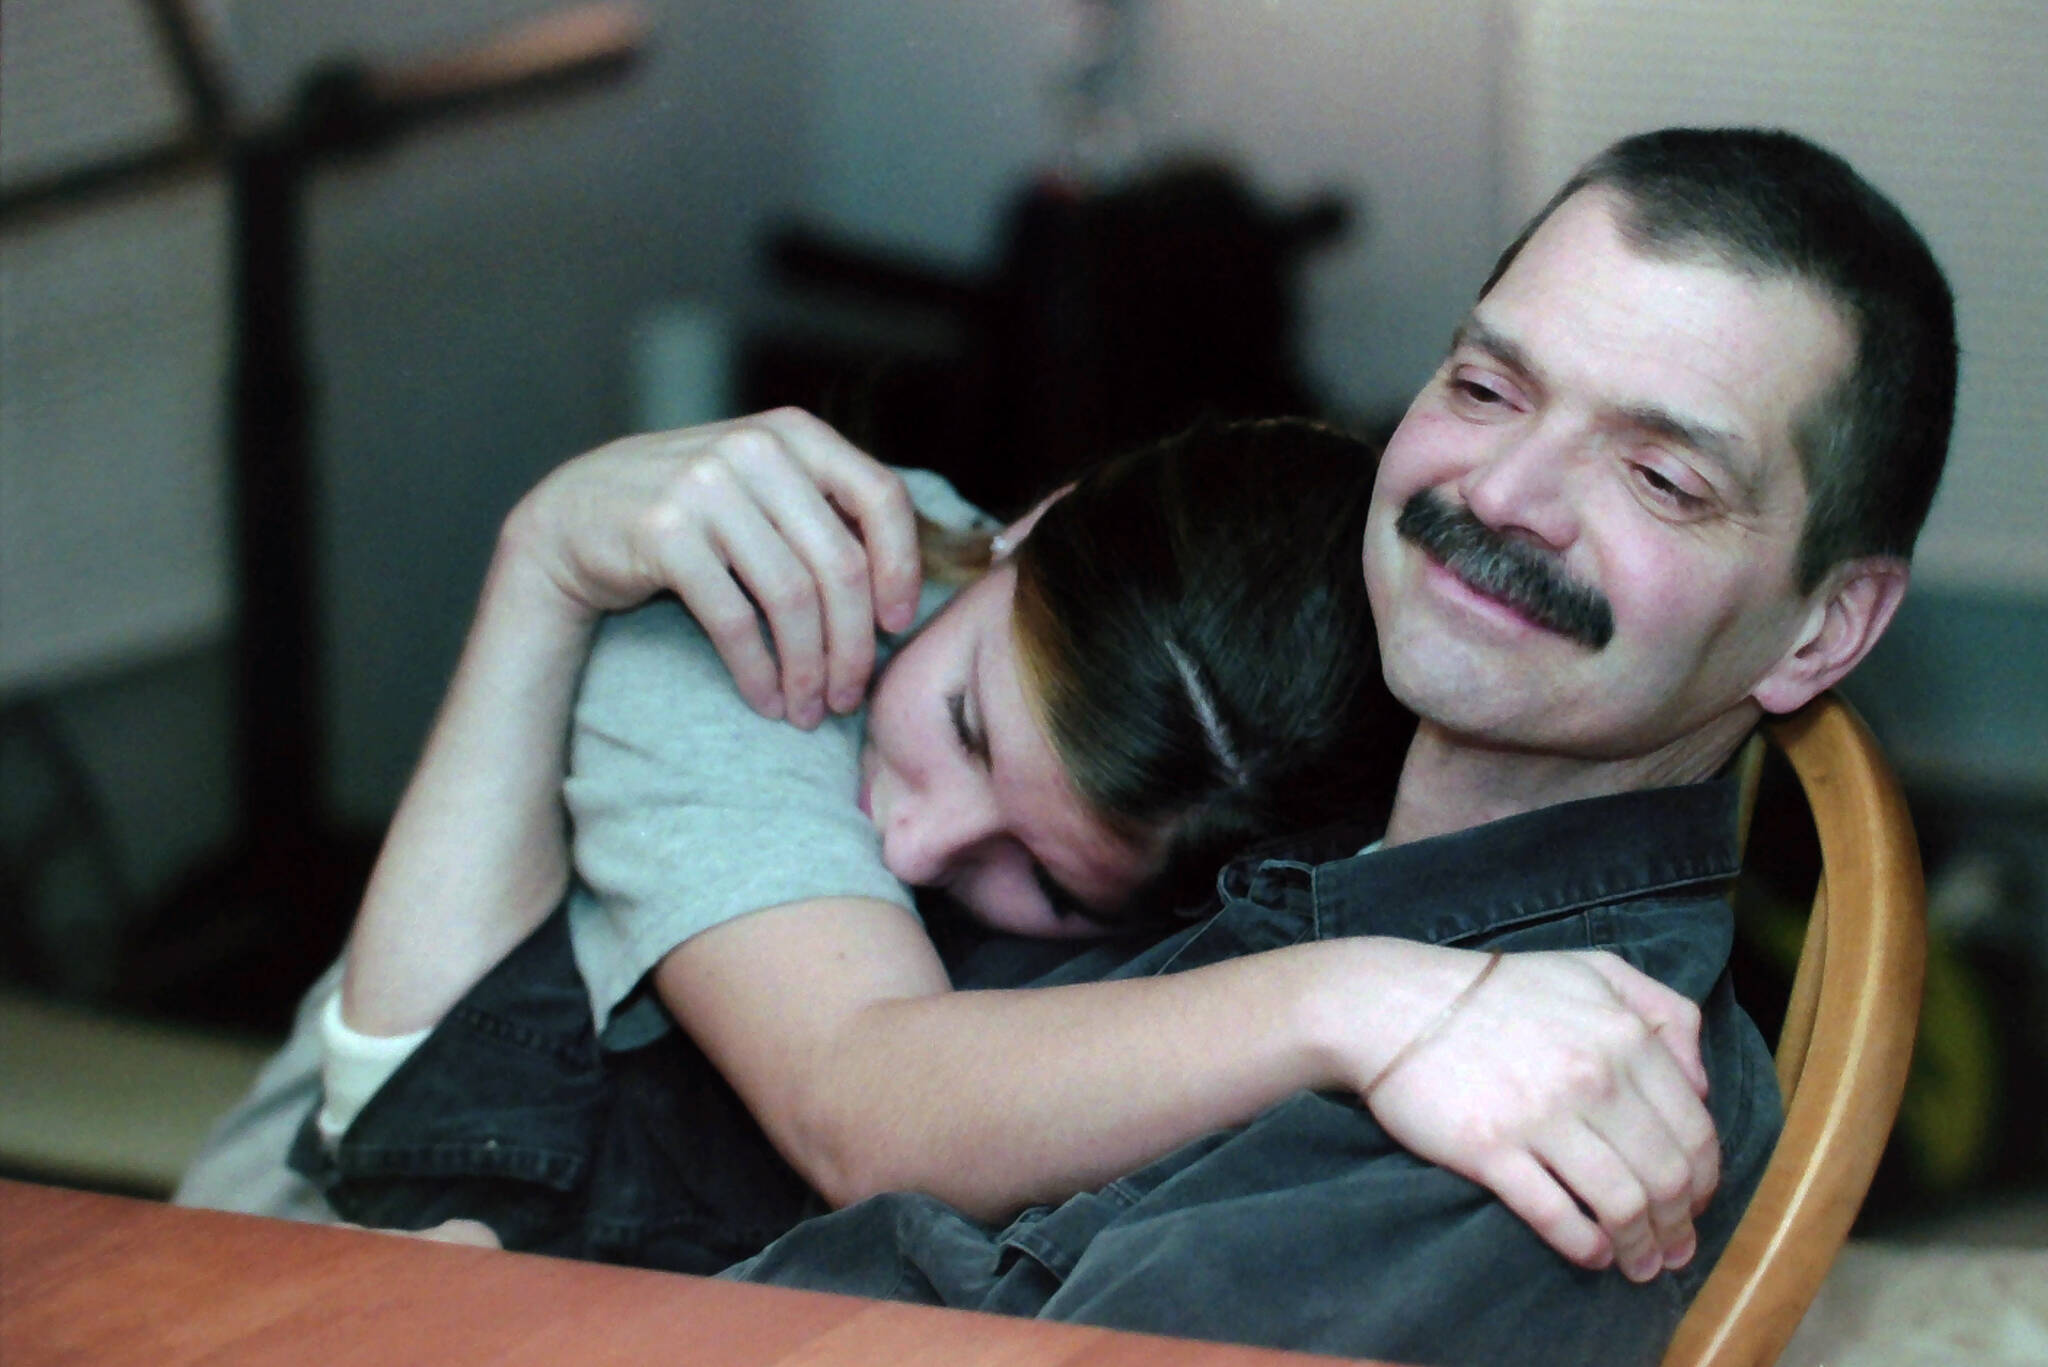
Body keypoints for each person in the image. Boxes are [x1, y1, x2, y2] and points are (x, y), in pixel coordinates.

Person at [286, 415, 1715, 1276]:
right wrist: (1369, 1001)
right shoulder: (747, 609)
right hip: (318, 1225)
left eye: (1041, 878)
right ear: (1036, 522)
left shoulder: (1211, 908)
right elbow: (854, 1098)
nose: (909, 844)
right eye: (966, 722)